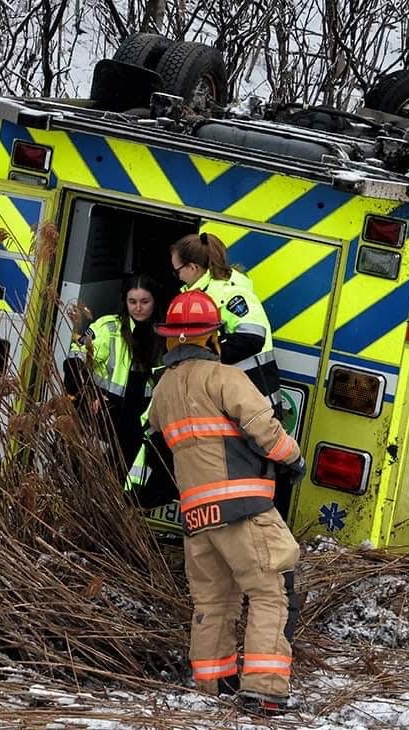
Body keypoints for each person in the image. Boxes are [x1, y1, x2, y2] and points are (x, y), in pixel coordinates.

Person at [148, 289, 305, 715]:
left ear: (170, 339)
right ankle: (264, 689)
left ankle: (213, 681)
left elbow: (163, 445)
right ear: (213, 336)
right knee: (272, 591)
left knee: (214, 601)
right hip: (243, 508)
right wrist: (293, 458)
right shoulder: (225, 378)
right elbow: (265, 429)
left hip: (198, 516)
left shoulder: (162, 391)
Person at [170, 232, 282, 410]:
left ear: (192, 267)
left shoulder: (229, 294)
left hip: (253, 403)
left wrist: (200, 355)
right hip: (232, 400)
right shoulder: (203, 294)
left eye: (177, 271)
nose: (178, 277)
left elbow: (251, 339)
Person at [66, 274, 165, 473]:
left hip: (142, 415)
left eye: (145, 302)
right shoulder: (107, 327)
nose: (138, 307)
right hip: (105, 411)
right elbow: (73, 361)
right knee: (89, 472)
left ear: (155, 302)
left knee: (125, 473)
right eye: (132, 302)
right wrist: (89, 393)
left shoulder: (164, 334)